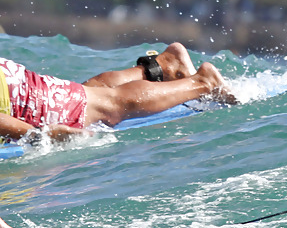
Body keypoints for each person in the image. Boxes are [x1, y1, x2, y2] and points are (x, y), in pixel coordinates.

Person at [0, 42, 234, 143]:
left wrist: (37, 136)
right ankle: (165, 66)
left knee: (108, 106)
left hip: (12, 101)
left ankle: (203, 83)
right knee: (90, 93)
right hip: (7, 84)